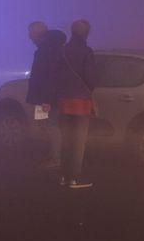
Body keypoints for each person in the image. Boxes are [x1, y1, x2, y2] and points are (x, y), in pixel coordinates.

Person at [54, 19, 96, 189]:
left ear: (71, 31)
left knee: (66, 140)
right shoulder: (86, 52)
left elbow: (55, 75)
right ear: (87, 33)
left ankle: (63, 176)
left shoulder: (62, 51)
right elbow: (91, 78)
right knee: (78, 142)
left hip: (63, 102)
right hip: (80, 103)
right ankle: (74, 178)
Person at [25, 21, 67, 171]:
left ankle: (56, 158)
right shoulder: (50, 48)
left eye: (30, 32)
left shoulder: (48, 50)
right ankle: (53, 155)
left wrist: (47, 100)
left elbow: (50, 76)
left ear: (37, 33)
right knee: (47, 125)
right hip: (46, 96)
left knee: (52, 126)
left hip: (48, 98)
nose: (29, 36)